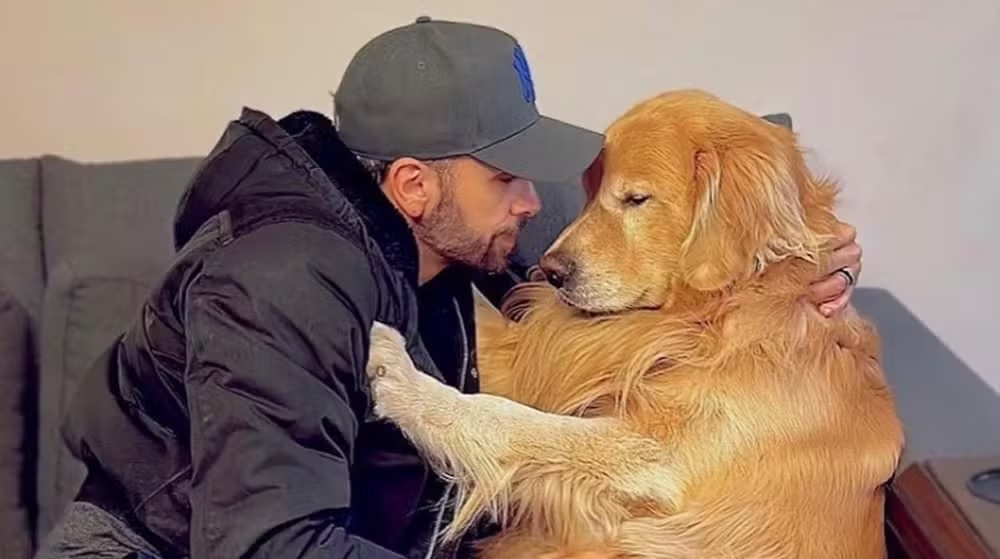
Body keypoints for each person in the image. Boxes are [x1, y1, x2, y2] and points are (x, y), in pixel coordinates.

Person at [39, 16, 863, 559]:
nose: (535, 207)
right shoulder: (274, 288)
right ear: (412, 184)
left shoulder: (443, 238)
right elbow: (269, 543)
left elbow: (709, 223)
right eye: (508, 175)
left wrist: (802, 270)